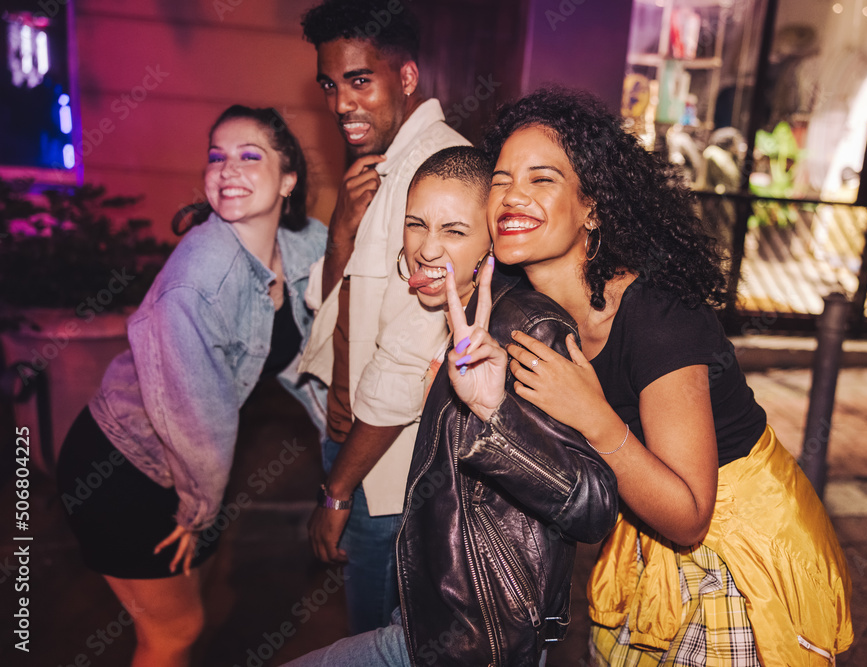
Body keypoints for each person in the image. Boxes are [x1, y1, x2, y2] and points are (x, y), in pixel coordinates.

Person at [483, 88, 853, 666]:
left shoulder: (658, 315)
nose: (512, 197)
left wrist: (593, 417)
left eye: (541, 179)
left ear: (594, 208)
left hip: (735, 548)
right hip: (644, 527)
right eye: (501, 180)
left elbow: (688, 515)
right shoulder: (527, 313)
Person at [283, 147, 618, 667]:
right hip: (432, 620)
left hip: (483, 638)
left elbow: (593, 506)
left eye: (454, 231)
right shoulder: (447, 315)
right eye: (416, 224)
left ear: (492, 239)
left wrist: (495, 413)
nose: (426, 248)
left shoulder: (529, 330)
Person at [55, 105, 327, 666]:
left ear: (288, 180)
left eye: (250, 156)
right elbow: (195, 418)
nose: (228, 169)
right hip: (126, 468)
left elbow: (347, 271)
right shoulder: (198, 281)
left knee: (189, 607)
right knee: (175, 631)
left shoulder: (299, 243)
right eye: (216, 157)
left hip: (193, 469)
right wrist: (198, 511)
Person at [297, 0, 470, 634]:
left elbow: (409, 360)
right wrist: (341, 234)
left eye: (359, 81)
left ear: (406, 77)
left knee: (381, 641)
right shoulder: (380, 168)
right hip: (350, 440)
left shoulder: (439, 175)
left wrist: (337, 490)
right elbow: (332, 310)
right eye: (330, 85)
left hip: (386, 466)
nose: (341, 103)